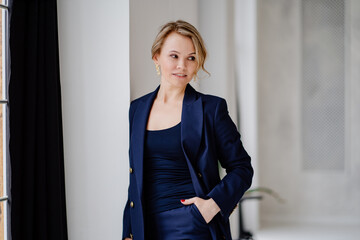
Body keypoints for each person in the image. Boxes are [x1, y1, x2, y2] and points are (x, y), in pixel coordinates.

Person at [123, 20, 253, 240]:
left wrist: (212, 206)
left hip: (191, 225)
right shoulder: (137, 109)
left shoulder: (211, 109)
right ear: (157, 57)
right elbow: (135, 177)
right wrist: (129, 230)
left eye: (191, 58)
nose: (182, 65)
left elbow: (242, 167)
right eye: (174, 56)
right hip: (145, 226)